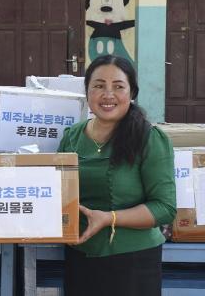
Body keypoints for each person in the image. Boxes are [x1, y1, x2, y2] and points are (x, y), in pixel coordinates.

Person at [58, 55, 176, 296]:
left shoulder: (149, 138)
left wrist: (109, 218)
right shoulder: (72, 136)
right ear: (88, 92)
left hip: (133, 260)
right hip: (80, 254)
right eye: (99, 86)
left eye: (118, 87)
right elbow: (56, 193)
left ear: (131, 92)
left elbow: (164, 208)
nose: (108, 95)